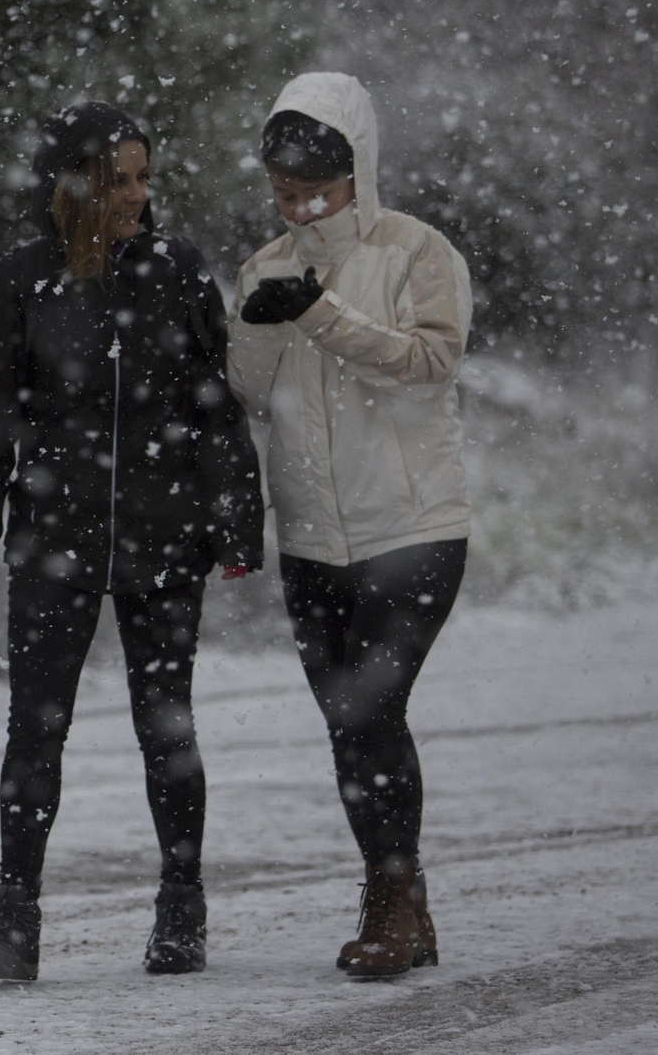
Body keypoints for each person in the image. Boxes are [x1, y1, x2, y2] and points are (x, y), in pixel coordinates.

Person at [0, 101, 265, 981]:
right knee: (34, 731)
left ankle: (181, 910)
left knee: (167, 726)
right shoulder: (19, 282)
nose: (136, 195)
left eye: (143, 177)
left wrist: (237, 523)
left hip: (167, 537)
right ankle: (14, 922)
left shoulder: (176, 270)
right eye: (117, 179)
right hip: (54, 538)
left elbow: (216, 407)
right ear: (70, 184)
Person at [227, 72, 474, 978]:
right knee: (346, 722)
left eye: (316, 192)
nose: (299, 208)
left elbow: (432, 362)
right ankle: (402, 896)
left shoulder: (416, 252)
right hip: (310, 539)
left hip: (413, 528)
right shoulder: (264, 266)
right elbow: (250, 394)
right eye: (284, 192)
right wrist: (261, 327)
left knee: (372, 708)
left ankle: (390, 901)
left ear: (357, 172)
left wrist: (322, 315)